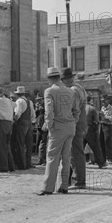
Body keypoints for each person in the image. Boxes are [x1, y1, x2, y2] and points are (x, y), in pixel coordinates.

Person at [37, 67, 79, 195]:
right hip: (70, 126)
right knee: (66, 158)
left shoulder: (49, 91)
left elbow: (49, 111)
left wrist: (48, 125)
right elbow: (77, 110)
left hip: (58, 127)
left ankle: (48, 187)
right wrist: (73, 122)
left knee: (52, 157)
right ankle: (64, 186)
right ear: (59, 78)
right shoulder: (71, 91)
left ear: (49, 79)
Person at [61, 68, 88, 189]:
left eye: (63, 80)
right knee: (76, 151)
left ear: (67, 79)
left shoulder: (73, 90)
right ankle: (76, 179)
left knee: (75, 153)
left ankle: (79, 181)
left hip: (75, 123)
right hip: (80, 122)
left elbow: (74, 110)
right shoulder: (79, 87)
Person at [11, 86, 31, 170]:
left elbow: (18, 113)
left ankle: (21, 164)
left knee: (20, 144)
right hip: (28, 122)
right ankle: (26, 163)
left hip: (21, 123)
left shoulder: (19, 101)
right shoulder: (28, 101)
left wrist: (13, 119)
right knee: (26, 144)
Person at [85, 96, 106, 168]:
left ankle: (77, 165)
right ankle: (101, 163)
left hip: (80, 130)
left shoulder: (79, 108)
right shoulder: (92, 109)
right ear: (90, 100)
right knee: (96, 147)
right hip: (90, 129)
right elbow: (96, 121)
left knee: (79, 149)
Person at [100, 95, 112, 164]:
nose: (103, 103)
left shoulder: (111, 108)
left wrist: (105, 117)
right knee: (102, 142)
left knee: (108, 142)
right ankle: (103, 158)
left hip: (108, 126)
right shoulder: (102, 108)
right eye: (102, 101)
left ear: (107, 100)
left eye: (104, 101)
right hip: (102, 125)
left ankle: (110, 158)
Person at [34, 94, 47, 165]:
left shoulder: (46, 105)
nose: (38, 101)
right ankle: (40, 159)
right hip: (39, 125)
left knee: (43, 142)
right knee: (39, 142)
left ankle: (42, 160)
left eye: (40, 100)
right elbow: (36, 115)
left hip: (44, 125)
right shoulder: (39, 106)